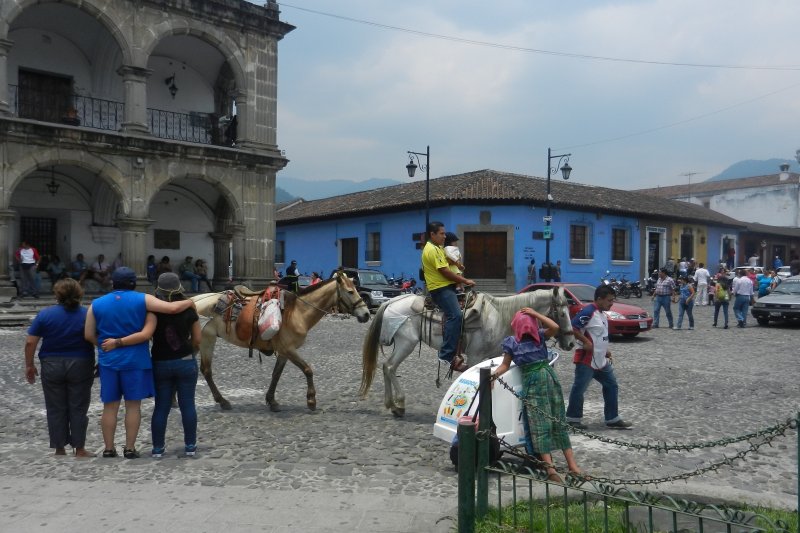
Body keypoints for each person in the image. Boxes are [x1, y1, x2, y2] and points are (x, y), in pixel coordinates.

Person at [84, 267, 195, 459]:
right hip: (135, 360)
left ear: (113, 283)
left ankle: (109, 448)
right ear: (133, 283)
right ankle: (129, 448)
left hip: (108, 361)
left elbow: (88, 334)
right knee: (133, 406)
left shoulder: (96, 304)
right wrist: (191, 301)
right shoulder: (142, 299)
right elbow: (172, 309)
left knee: (109, 406)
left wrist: (104, 346)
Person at [491, 307, 581, 482]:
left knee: (543, 423)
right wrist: (535, 315)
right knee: (552, 421)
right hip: (546, 379)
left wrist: (493, 375)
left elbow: (504, 365)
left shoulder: (522, 340)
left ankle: (558, 469)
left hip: (536, 381)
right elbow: (555, 327)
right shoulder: (533, 337)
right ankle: (565, 467)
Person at [24, 278, 95, 457]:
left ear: (57, 295)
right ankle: (79, 448)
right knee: (78, 407)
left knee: (55, 407)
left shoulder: (45, 314)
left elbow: (30, 342)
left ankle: (59, 447)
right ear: (79, 294)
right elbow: (97, 338)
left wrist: (29, 365)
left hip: (51, 364)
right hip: (81, 362)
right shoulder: (87, 314)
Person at [566, 285, 632, 429]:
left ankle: (612, 418)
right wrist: (585, 341)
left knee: (611, 385)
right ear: (600, 299)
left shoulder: (602, 313)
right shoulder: (589, 311)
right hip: (586, 360)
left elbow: (598, 334)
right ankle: (572, 419)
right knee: (579, 388)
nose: (611, 303)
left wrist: (605, 350)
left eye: (612, 300)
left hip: (601, 360)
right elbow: (573, 327)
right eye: (609, 300)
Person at [421, 221, 475, 372]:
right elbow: (445, 272)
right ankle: (446, 354)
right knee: (455, 315)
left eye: (445, 233)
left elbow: (450, 265)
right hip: (441, 289)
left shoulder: (438, 248)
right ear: (432, 234)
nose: (445, 236)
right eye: (442, 233)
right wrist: (465, 280)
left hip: (448, 286)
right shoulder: (431, 250)